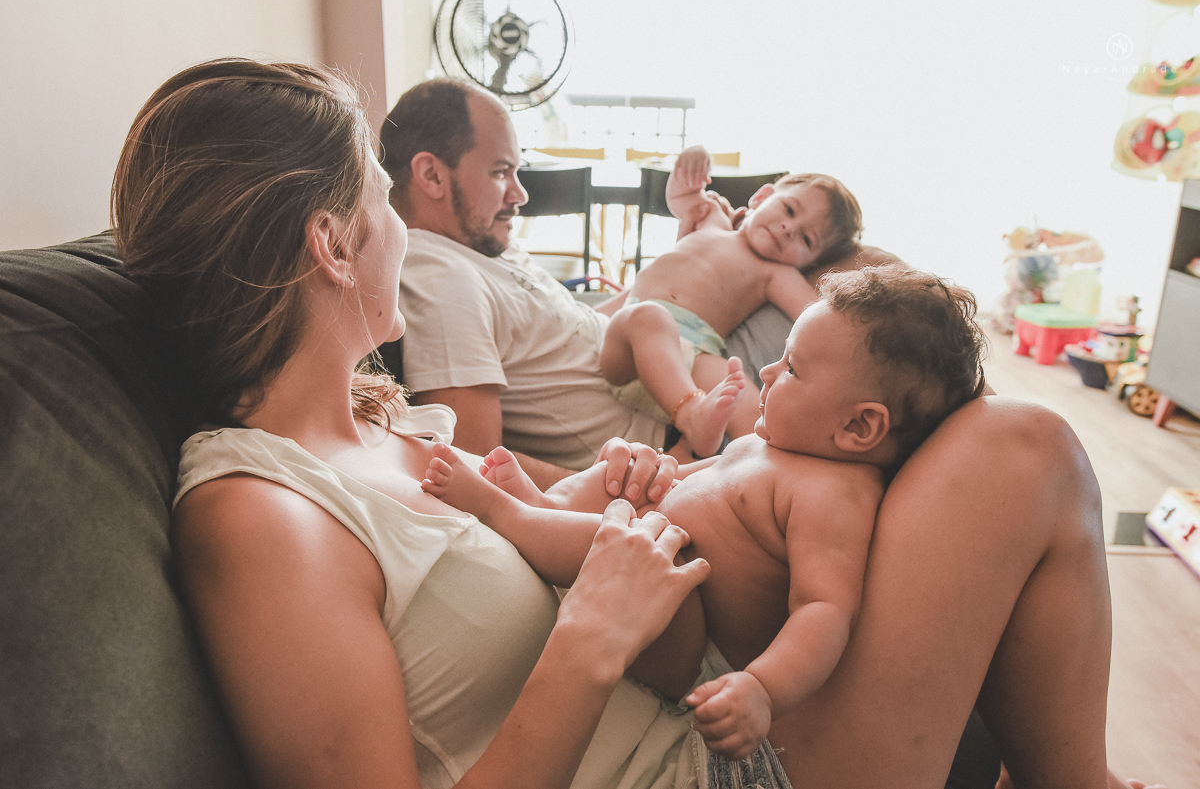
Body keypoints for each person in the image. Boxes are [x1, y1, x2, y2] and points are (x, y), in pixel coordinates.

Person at [115, 58, 1151, 789]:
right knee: (1028, 450)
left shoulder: (380, 426)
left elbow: (528, 557)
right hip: (702, 770)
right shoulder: (259, 516)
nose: (401, 222)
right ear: (333, 247)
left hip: (691, 698)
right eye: (380, 201)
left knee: (932, 407)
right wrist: (595, 630)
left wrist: (600, 499)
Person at [423, 264, 989, 769]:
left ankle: (512, 516)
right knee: (634, 490)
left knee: (650, 551)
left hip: (690, 651)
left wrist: (761, 690)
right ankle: (549, 509)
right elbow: (689, 484)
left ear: (859, 427)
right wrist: (657, 473)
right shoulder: (772, 446)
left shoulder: (836, 494)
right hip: (655, 569)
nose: (767, 372)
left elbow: (824, 610)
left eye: (792, 368)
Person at [379, 79, 892, 488]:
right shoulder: (442, 277)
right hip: (671, 429)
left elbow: (577, 327)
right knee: (870, 349)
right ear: (432, 176)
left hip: (670, 362)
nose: (520, 192)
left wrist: (675, 265)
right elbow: (472, 463)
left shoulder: (483, 242)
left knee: (865, 277)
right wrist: (621, 487)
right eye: (500, 172)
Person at [599, 145, 864, 457]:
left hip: (696, 355)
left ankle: (713, 461)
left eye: (807, 240)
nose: (788, 229)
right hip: (631, 345)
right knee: (649, 317)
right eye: (789, 210)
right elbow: (682, 198)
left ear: (809, 262)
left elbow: (816, 313)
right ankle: (690, 415)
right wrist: (692, 160)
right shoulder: (714, 220)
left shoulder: (776, 273)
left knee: (746, 401)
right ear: (762, 197)